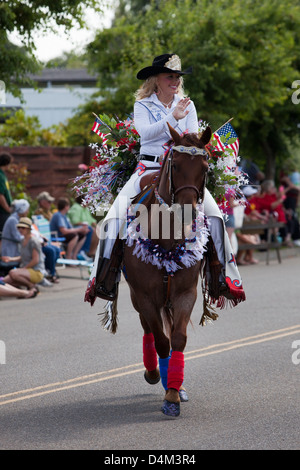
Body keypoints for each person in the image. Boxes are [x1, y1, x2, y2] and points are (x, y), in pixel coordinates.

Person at [86, 53, 245, 306]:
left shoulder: (187, 104)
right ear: (156, 79)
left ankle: (222, 278)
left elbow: (192, 137)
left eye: (178, 77)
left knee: (215, 217)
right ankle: (103, 278)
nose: (175, 81)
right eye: (170, 76)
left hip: (181, 170)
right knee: (112, 218)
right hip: (147, 166)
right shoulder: (143, 105)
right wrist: (173, 118)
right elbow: (145, 133)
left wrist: (181, 121)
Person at [2, 217, 45, 293]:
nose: (20, 230)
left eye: (23, 228)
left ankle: (31, 286)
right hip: (26, 270)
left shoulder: (33, 241)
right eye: (19, 227)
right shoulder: (22, 240)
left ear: (28, 229)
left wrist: (23, 269)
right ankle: (23, 290)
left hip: (36, 271)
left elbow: (35, 260)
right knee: (5, 281)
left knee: (13, 273)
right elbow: (23, 257)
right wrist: (11, 259)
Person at [0, 151, 13, 232]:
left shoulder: (3, 175)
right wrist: (7, 208)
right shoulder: (0, 176)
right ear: (6, 163)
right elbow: (0, 195)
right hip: (2, 212)